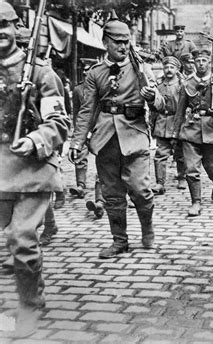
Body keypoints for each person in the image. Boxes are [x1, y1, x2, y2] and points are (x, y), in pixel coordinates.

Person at [0, 2, 70, 337]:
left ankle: (27, 306)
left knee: (22, 238)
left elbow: (59, 122)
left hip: (32, 169)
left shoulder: (41, 73)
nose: (0, 32)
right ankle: (30, 293)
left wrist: (35, 139)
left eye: (5, 25)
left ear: (18, 28)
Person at [68, 18, 161, 258]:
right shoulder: (95, 73)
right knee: (112, 194)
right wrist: (77, 141)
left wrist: (151, 97)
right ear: (105, 42)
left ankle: (147, 227)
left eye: (126, 42)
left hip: (135, 135)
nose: (122, 46)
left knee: (140, 190)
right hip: (105, 138)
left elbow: (161, 103)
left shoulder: (141, 68)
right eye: (117, 42)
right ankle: (120, 241)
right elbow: (87, 110)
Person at [173, 48, 213, 217]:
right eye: (197, 61)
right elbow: (180, 110)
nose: (200, 64)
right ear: (193, 63)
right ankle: (196, 202)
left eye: (204, 61)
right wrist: (175, 134)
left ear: (209, 62)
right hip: (191, 129)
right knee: (191, 168)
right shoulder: (187, 83)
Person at [151, 56, 186, 195]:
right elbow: (154, 106)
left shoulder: (182, 85)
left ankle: (182, 177)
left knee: (180, 153)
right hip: (162, 121)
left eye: (172, 67)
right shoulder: (158, 85)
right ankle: (160, 183)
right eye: (166, 67)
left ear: (177, 69)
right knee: (160, 154)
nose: (168, 70)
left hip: (178, 121)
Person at [69, 58, 96, 199]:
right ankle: (80, 186)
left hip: (98, 128)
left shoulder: (101, 88)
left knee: (104, 158)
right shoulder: (78, 89)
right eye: (84, 70)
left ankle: (103, 189)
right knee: (80, 156)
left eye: (88, 70)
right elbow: (76, 112)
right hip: (83, 129)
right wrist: (77, 131)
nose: (86, 73)